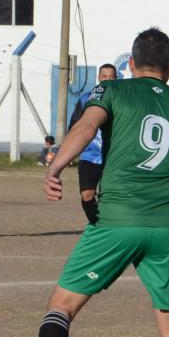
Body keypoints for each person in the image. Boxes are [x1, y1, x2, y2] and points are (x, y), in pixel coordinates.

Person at [14, 28, 169, 337]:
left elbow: (86, 127)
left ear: (131, 64)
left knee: (63, 304)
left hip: (117, 219)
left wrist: (55, 167)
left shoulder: (111, 91)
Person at [68, 64, 118, 223]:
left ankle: (107, 228)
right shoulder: (86, 99)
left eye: (112, 77)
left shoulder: (122, 100)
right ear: (98, 78)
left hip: (113, 157)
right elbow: (74, 126)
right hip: (89, 155)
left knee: (111, 197)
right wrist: (69, 152)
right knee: (87, 195)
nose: (108, 80)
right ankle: (96, 224)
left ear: (116, 79)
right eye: (105, 76)